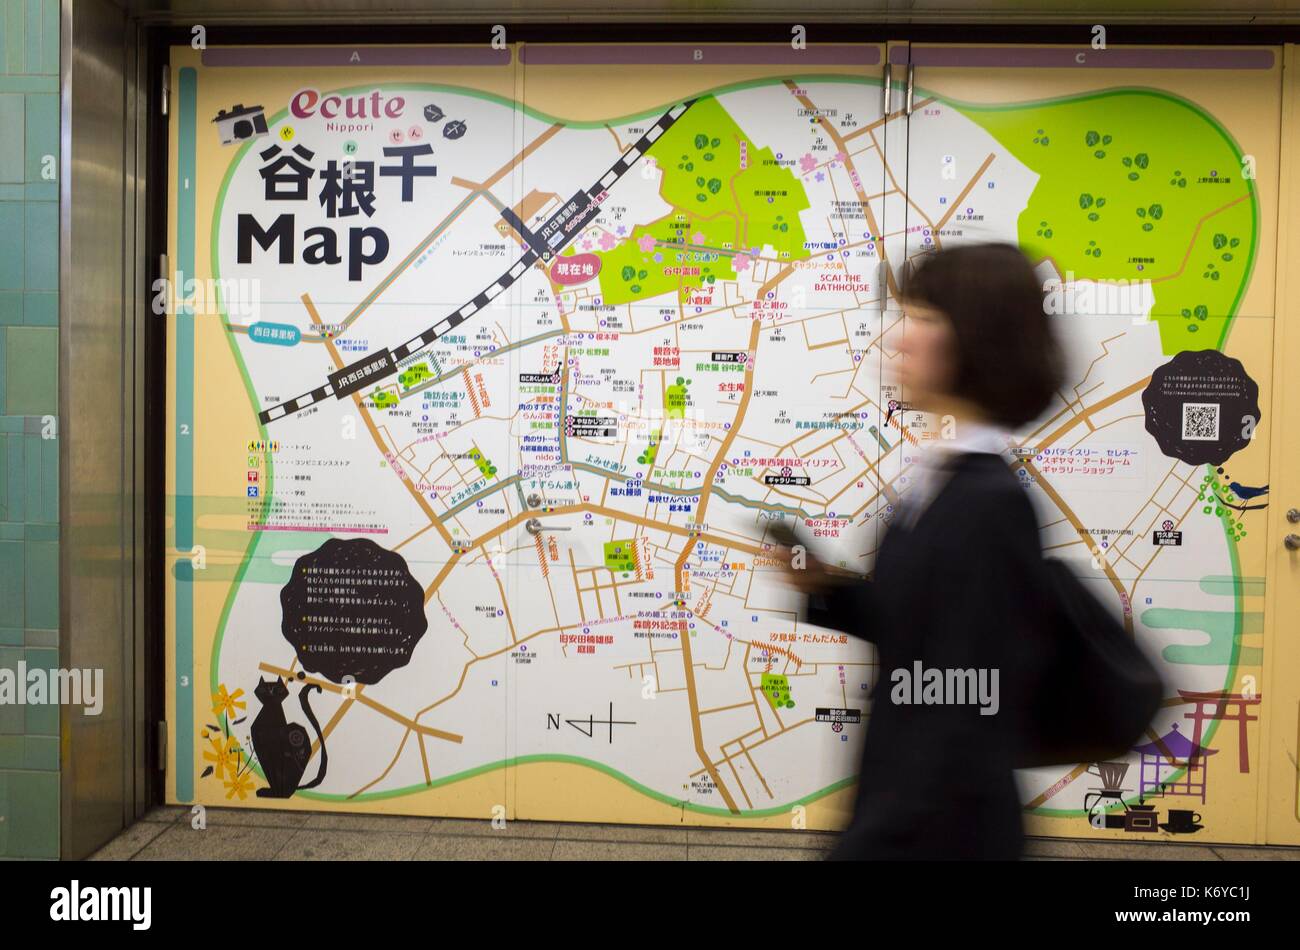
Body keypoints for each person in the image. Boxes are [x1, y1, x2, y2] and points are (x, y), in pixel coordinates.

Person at [778, 243, 1065, 860]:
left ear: (978, 344)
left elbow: (960, 701)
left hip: (939, 828)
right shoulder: (943, 478)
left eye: (923, 318)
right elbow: (918, 628)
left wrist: (874, 841)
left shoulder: (986, 503)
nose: (895, 338)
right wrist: (824, 590)